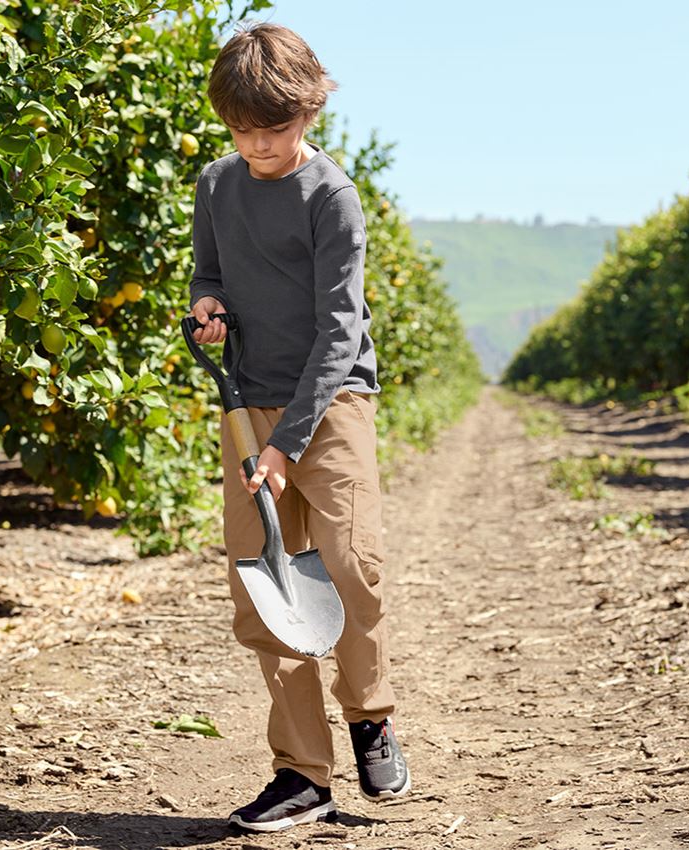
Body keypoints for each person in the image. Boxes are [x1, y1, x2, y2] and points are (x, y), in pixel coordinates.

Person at [186, 22, 409, 834]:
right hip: (248, 402)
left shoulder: (331, 197)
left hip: (333, 399)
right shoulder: (216, 184)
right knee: (263, 585)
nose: (256, 145)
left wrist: (288, 446)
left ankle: (371, 714)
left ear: (309, 111)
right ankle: (301, 774)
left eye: (272, 129)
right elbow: (207, 273)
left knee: (352, 567)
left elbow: (339, 332)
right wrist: (204, 306)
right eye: (241, 130)